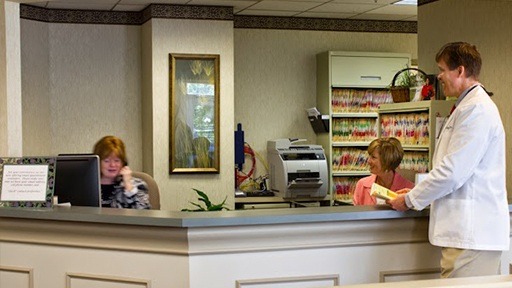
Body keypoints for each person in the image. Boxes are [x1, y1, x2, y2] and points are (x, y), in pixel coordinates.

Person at [388, 42, 509, 278]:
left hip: (472, 236)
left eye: (443, 69)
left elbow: (452, 172)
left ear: (461, 71)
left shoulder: (477, 110)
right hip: (468, 237)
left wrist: (411, 199)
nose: (439, 76)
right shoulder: (467, 106)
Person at [93, 135, 151, 209]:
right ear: (97, 162)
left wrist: (129, 187)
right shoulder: (87, 186)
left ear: (123, 163)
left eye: (117, 160)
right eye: (106, 161)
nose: (112, 165)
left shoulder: (138, 184)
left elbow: (145, 213)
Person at [352, 137, 414, 205]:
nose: (368, 161)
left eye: (373, 157)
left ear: (387, 161)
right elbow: (356, 214)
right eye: (369, 156)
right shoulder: (362, 185)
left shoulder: (409, 189)